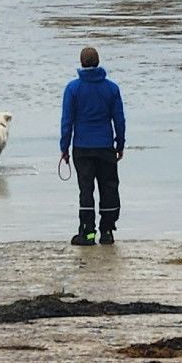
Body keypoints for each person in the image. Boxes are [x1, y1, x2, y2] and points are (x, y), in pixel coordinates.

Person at [59, 45, 125, 245]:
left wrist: (64, 148)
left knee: (86, 189)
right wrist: (120, 143)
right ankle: (107, 232)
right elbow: (119, 119)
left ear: (81, 63)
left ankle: (87, 233)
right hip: (105, 146)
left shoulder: (73, 88)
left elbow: (67, 121)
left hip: (82, 147)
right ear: (98, 62)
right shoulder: (111, 88)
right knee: (109, 188)